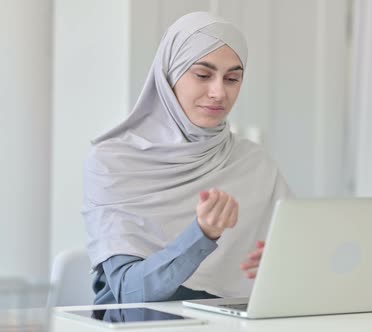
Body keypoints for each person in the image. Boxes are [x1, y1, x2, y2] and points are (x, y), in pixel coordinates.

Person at [82, 12, 292, 304]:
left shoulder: (254, 163)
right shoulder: (113, 162)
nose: (219, 92)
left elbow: (294, 257)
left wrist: (285, 265)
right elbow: (129, 292)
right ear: (169, 75)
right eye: (203, 75)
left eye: (232, 79)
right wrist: (201, 235)